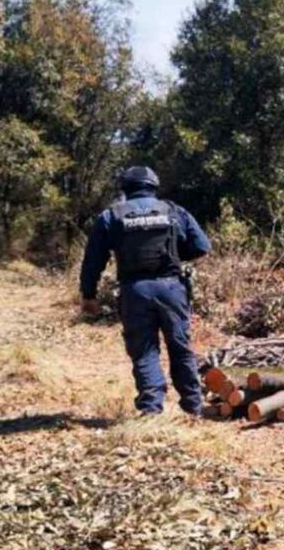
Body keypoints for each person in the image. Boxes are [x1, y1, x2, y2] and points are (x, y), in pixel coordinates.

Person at [80, 166, 212, 416]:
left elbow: (93, 260)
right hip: (172, 288)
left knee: (144, 348)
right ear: (153, 186)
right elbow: (202, 246)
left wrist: (89, 294)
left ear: (125, 188)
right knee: (180, 346)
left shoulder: (111, 216)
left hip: (135, 290)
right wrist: (175, 254)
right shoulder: (174, 211)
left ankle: (151, 409)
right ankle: (193, 407)